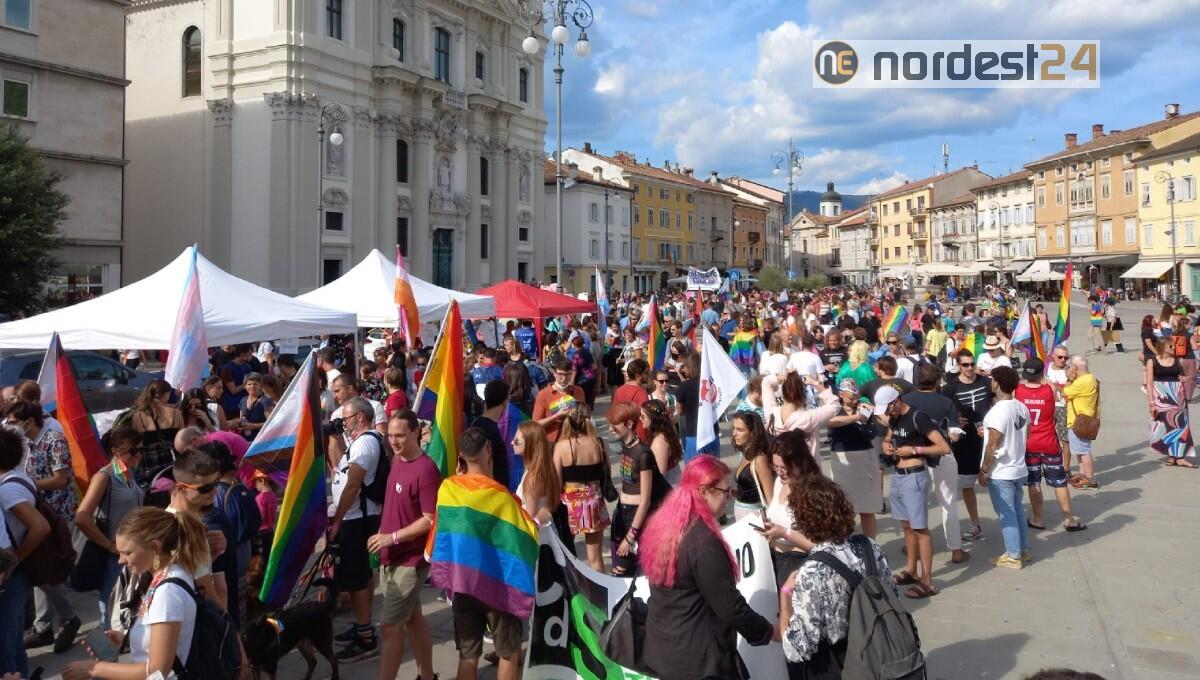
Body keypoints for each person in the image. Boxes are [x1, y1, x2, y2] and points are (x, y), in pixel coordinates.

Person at [640, 456, 778, 680]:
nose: (729, 499)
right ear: (704, 492)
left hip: (666, 650)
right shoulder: (703, 542)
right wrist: (769, 631)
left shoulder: (668, 526)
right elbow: (730, 606)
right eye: (725, 491)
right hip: (698, 661)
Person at [61, 506, 211, 680]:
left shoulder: (168, 592)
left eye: (127, 553)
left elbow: (157, 670)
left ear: (155, 547)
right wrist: (127, 638)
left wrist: (94, 669)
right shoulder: (165, 575)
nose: (120, 560)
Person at [434, 427, 527, 680]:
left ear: (461, 455)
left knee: (468, 654)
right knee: (508, 652)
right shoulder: (502, 498)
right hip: (497, 588)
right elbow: (523, 537)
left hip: (463, 583)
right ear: (488, 450)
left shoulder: (447, 490)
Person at [780, 475, 897, 674]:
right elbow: (893, 595)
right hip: (880, 655)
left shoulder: (812, 571)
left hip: (838, 665)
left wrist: (785, 598)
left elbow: (798, 650)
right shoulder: (870, 547)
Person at [365, 410, 440, 680]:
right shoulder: (397, 460)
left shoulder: (427, 470)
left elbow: (429, 519)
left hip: (410, 560)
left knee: (389, 627)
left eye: (400, 435)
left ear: (415, 433)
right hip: (389, 556)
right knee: (413, 618)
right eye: (390, 435)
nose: (394, 441)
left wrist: (392, 537)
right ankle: (428, 676)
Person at [3, 400, 81, 652]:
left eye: (13, 422)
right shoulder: (27, 443)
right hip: (35, 511)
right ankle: (43, 626)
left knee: (49, 572)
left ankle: (68, 618)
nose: (8, 426)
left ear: (29, 422)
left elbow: (60, 480)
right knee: (36, 572)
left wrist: (29, 485)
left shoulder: (54, 441)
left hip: (56, 514)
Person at [876, 384, 951, 598]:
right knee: (906, 525)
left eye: (888, 408)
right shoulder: (894, 418)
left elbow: (944, 447)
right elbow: (889, 436)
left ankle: (927, 581)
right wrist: (886, 444)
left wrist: (915, 450)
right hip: (899, 477)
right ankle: (911, 570)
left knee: (920, 529)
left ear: (897, 401)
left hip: (915, 476)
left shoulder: (918, 417)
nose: (886, 413)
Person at [330, 396, 384, 659]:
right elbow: (339, 468)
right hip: (358, 517)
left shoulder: (364, 444)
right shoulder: (360, 442)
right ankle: (363, 624)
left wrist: (337, 519)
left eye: (346, 419)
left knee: (356, 578)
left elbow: (352, 485)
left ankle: (365, 637)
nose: (344, 424)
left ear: (360, 417)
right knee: (361, 575)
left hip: (356, 519)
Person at [74, 426, 145, 626]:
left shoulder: (128, 473)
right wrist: (109, 546)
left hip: (133, 549)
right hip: (115, 554)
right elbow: (81, 518)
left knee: (128, 604)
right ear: (115, 450)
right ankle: (108, 650)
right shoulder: (104, 477)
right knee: (112, 605)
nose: (138, 454)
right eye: (133, 450)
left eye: (140, 449)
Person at [902, 364, 970, 564]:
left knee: (914, 502)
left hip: (912, 456)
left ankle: (911, 545)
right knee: (948, 503)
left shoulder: (906, 400)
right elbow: (955, 436)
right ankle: (956, 550)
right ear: (938, 381)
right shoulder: (946, 402)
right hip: (941, 454)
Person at [0, 425, 51, 677]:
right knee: (14, 638)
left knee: (6, 643)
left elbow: (40, 527)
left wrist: (15, 560)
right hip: (17, 572)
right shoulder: (18, 478)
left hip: (11, 575)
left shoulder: (6, 489)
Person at [1015, 358, 1086, 531]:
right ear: (1041, 374)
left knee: (1034, 483)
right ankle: (1069, 519)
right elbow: (1059, 397)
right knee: (1059, 482)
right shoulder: (1049, 389)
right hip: (1049, 443)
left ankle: (1038, 518)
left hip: (1028, 444)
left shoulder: (1018, 391)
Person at [978, 366, 1032, 569]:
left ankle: (1013, 555)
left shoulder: (998, 411)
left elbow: (993, 444)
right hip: (1018, 466)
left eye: (992, 379)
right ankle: (1023, 549)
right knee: (1017, 510)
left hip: (1002, 471)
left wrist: (984, 470)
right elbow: (1027, 433)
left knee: (1006, 514)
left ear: (997, 383)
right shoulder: (1021, 407)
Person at [607, 402, 668, 576]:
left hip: (637, 519)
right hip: (622, 514)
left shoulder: (643, 454)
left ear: (629, 424)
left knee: (632, 572)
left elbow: (645, 501)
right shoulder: (626, 448)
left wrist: (630, 536)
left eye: (615, 425)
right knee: (619, 572)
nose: (611, 429)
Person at [943, 348, 992, 542]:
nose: (970, 368)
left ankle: (1009, 522)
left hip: (988, 439)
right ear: (959, 366)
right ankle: (976, 524)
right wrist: (952, 421)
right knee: (967, 485)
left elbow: (1001, 397)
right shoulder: (950, 388)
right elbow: (942, 412)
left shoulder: (986, 382)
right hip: (965, 444)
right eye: (965, 365)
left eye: (972, 364)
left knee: (994, 481)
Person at [761, 431, 821, 588]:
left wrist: (785, 533)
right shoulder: (780, 483)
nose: (780, 472)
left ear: (800, 461)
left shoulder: (813, 492)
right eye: (775, 467)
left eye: (785, 467)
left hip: (799, 565)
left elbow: (821, 546)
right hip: (776, 560)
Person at [554, 406, 610, 572]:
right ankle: (599, 594)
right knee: (595, 557)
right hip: (594, 500)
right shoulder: (599, 443)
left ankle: (574, 591)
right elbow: (606, 472)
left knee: (567, 553)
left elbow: (557, 482)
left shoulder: (562, 446)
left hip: (570, 504)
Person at [825, 379, 881, 538]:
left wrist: (873, 412)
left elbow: (876, 428)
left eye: (856, 397)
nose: (854, 400)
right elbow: (829, 422)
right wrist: (856, 417)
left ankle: (871, 544)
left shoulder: (863, 408)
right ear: (841, 395)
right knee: (845, 507)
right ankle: (847, 543)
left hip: (865, 457)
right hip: (842, 459)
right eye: (850, 397)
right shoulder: (834, 408)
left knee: (867, 508)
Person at [1146, 339, 1197, 467]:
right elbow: (1149, 383)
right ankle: (1171, 456)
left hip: (1178, 397)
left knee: (1181, 426)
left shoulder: (1177, 361)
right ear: (1162, 347)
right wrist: (1151, 403)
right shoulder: (1152, 361)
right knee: (1166, 427)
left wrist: (1185, 379)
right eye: (1171, 346)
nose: (1174, 347)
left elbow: (1184, 376)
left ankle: (1180, 458)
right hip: (1161, 398)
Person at [130, 379, 185, 487]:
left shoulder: (138, 416)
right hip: (170, 460)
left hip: (148, 462)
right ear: (165, 394)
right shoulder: (176, 414)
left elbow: (136, 442)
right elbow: (182, 440)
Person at [1064, 356, 1101, 489]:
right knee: (1079, 450)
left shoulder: (1081, 382)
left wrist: (1069, 378)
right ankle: (1082, 473)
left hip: (1079, 421)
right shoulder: (1090, 378)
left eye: (1070, 366)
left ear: (1075, 368)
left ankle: (1090, 480)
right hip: (1084, 418)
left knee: (1084, 451)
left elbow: (1065, 392)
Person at [730, 411, 772, 521]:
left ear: (752, 433)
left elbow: (770, 498)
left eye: (740, 430)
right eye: (733, 428)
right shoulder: (746, 454)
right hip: (743, 518)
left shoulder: (760, 459)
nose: (734, 433)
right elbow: (749, 489)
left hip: (754, 519)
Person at [532, 358, 586, 443]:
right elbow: (536, 425)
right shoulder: (543, 394)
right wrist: (556, 416)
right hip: (552, 443)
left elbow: (585, 418)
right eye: (560, 374)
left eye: (568, 374)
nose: (564, 378)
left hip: (575, 441)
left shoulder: (579, 391)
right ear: (554, 374)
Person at [642, 399, 683, 485]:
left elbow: (660, 475)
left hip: (668, 490)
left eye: (643, 416)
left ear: (653, 418)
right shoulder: (666, 431)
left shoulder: (659, 442)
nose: (640, 418)